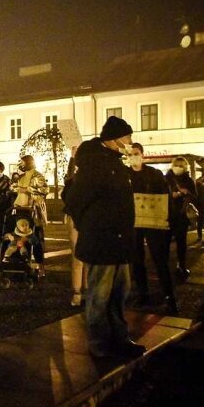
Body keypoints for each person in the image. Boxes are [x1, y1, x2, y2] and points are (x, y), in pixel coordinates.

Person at [64, 116, 145, 359]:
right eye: (127, 137)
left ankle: (120, 338)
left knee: (120, 292)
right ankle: (99, 343)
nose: (130, 141)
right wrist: (90, 226)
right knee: (100, 294)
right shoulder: (95, 164)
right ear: (114, 139)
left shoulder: (116, 162)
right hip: (102, 240)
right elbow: (75, 200)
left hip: (120, 240)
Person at [128, 143, 177, 313]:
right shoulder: (125, 175)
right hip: (134, 223)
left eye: (136, 153)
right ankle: (143, 294)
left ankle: (169, 296)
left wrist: (167, 219)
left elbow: (165, 196)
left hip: (154, 222)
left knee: (159, 259)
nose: (133, 157)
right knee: (137, 260)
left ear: (142, 155)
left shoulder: (154, 174)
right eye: (130, 154)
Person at [13, 155, 48, 274]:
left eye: (22, 162)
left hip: (33, 211)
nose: (20, 165)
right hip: (20, 209)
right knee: (21, 237)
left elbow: (45, 190)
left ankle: (40, 264)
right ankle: (24, 261)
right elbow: (15, 188)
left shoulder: (38, 176)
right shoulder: (21, 177)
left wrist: (28, 189)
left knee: (35, 238)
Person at [62, 146, 87, 307]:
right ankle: (77, 291)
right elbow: (69, 178)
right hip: (76, 220)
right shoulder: (73, 180)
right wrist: (72, 158)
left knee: (89, 257)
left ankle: (88, 289)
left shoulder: (93, 178)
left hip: (89, 220)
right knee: (78, 257)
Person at [164, 156, 197, 278]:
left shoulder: (189, 181)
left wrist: (187, 193)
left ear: (185, 167)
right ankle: (164, 266)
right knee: (165, 242)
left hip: (182, 215)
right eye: (176, 164)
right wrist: (170, 195)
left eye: (181, 165)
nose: (178, 167)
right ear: (172, 165)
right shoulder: (165, 179)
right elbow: (158, 195)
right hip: (166, 215)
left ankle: (182, 266)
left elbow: (195, 198)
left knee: (181, 243)